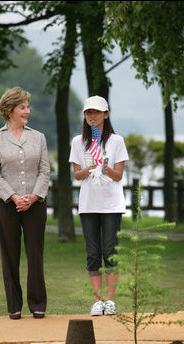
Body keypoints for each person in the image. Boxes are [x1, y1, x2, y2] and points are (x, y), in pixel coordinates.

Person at [0, 87, 50, 320]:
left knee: (35, 254)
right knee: (10, 255)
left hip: (36, 203)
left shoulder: (39, 137)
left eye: (27, 106)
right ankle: (14, 305)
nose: (27, 111)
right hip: (5, 203)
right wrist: (14, 197)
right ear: (10, 109)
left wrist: (33, 197)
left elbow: (45, 172)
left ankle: (37, 303)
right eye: (22, 107)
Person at [69, 95, 129, 316]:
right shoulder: (78, 142)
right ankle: (97, 301)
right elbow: (77, 175)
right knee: (93, 253)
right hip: (88, 205)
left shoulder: (116, 141)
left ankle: (110, 300)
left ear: (106, 114)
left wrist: (104, 167)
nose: (91, 116)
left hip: (111, 205)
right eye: (88, 113)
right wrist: (90, 167)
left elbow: (119, 175)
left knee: (110, 252)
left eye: (96, 112)